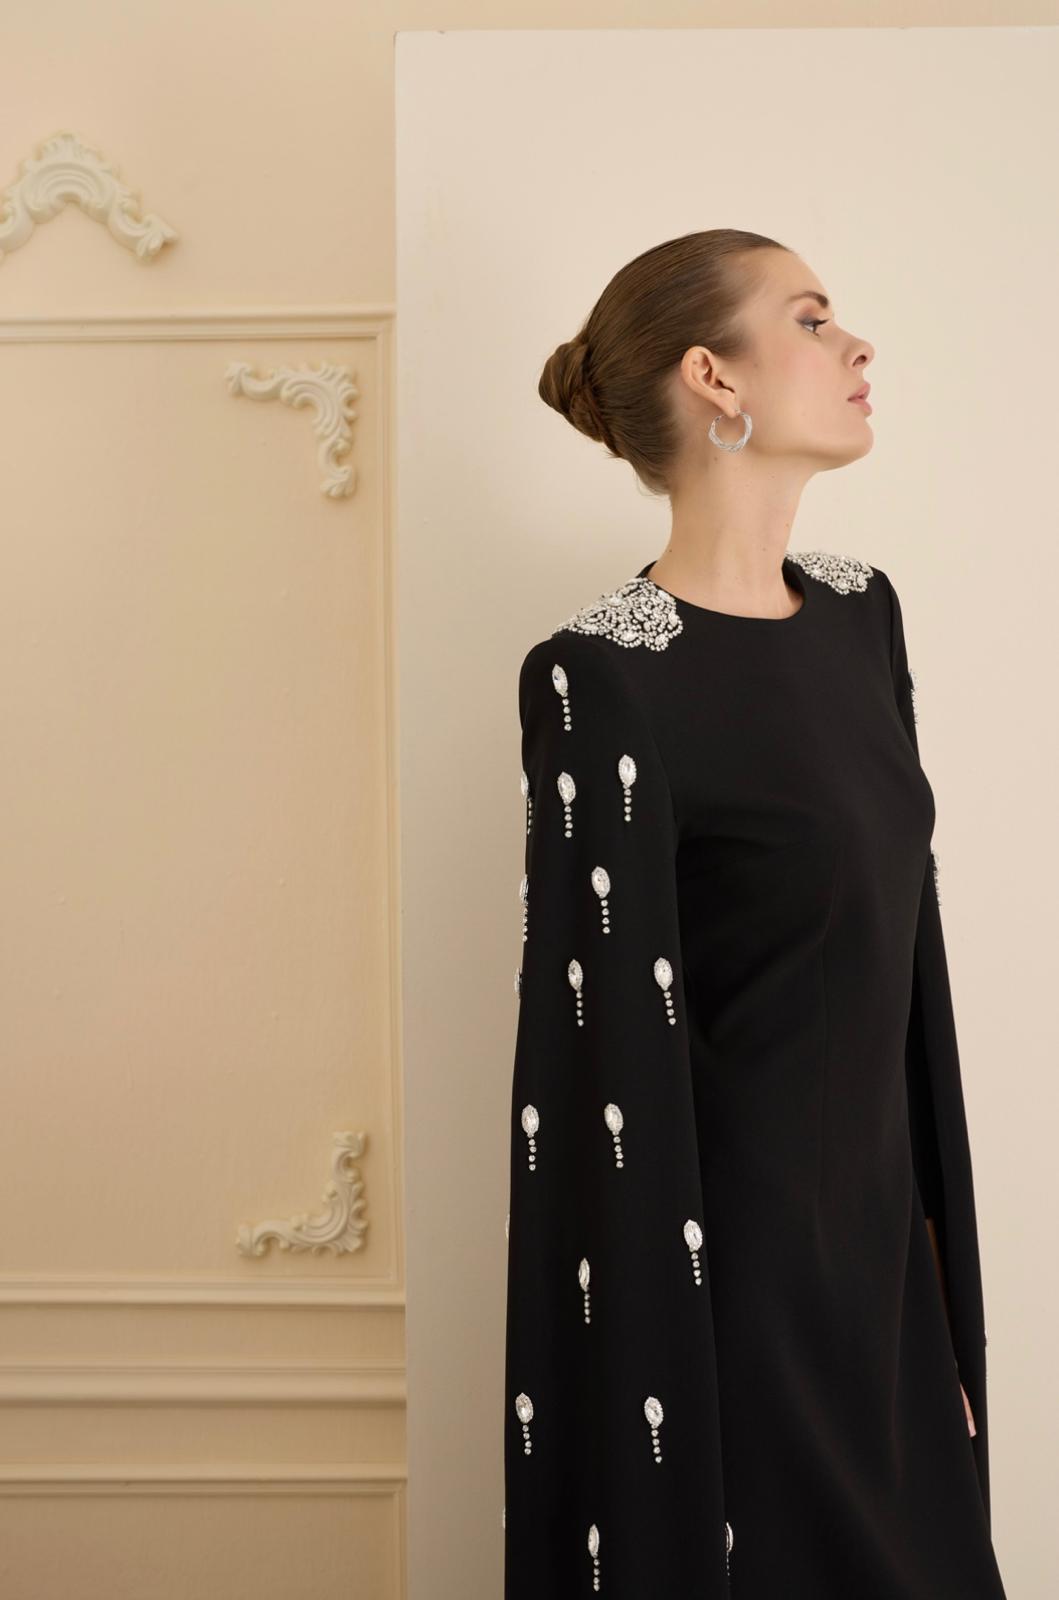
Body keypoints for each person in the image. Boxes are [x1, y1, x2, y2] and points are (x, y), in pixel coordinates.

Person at [503, 229, 1007, 1597]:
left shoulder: (861, 620)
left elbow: (905, 974)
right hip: (734, 1298)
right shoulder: (602, 679)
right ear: (713, 377)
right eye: (813, 318)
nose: (857, 345)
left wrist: (937, 1291)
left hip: (889, 1282)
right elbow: (597, 1062)